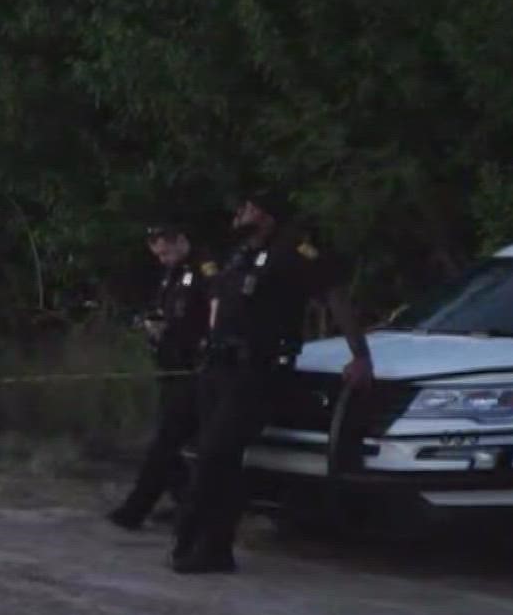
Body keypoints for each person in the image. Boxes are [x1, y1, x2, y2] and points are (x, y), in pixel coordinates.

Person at [170, 191, 373, 574]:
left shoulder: (292, 250)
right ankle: (209, 547)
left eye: (247, 207)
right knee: (214, 457)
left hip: (257, 369)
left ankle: (195, 536)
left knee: (217, 452)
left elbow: (334, 295)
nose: (238, 213)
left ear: (267, 215)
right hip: (218, 366)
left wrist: (360, 355)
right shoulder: (237, 253)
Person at [108, 224, 216, 530]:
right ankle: (188, 504)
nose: (162, 259)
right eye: (157, 254)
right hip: (170, 368)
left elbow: (212, 314)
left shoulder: (205, 268)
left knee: (166, 443)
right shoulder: (173, 273)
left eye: (165, 251)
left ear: (181, 240)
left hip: (193, 369)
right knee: (171, 445)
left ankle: (135, 510)